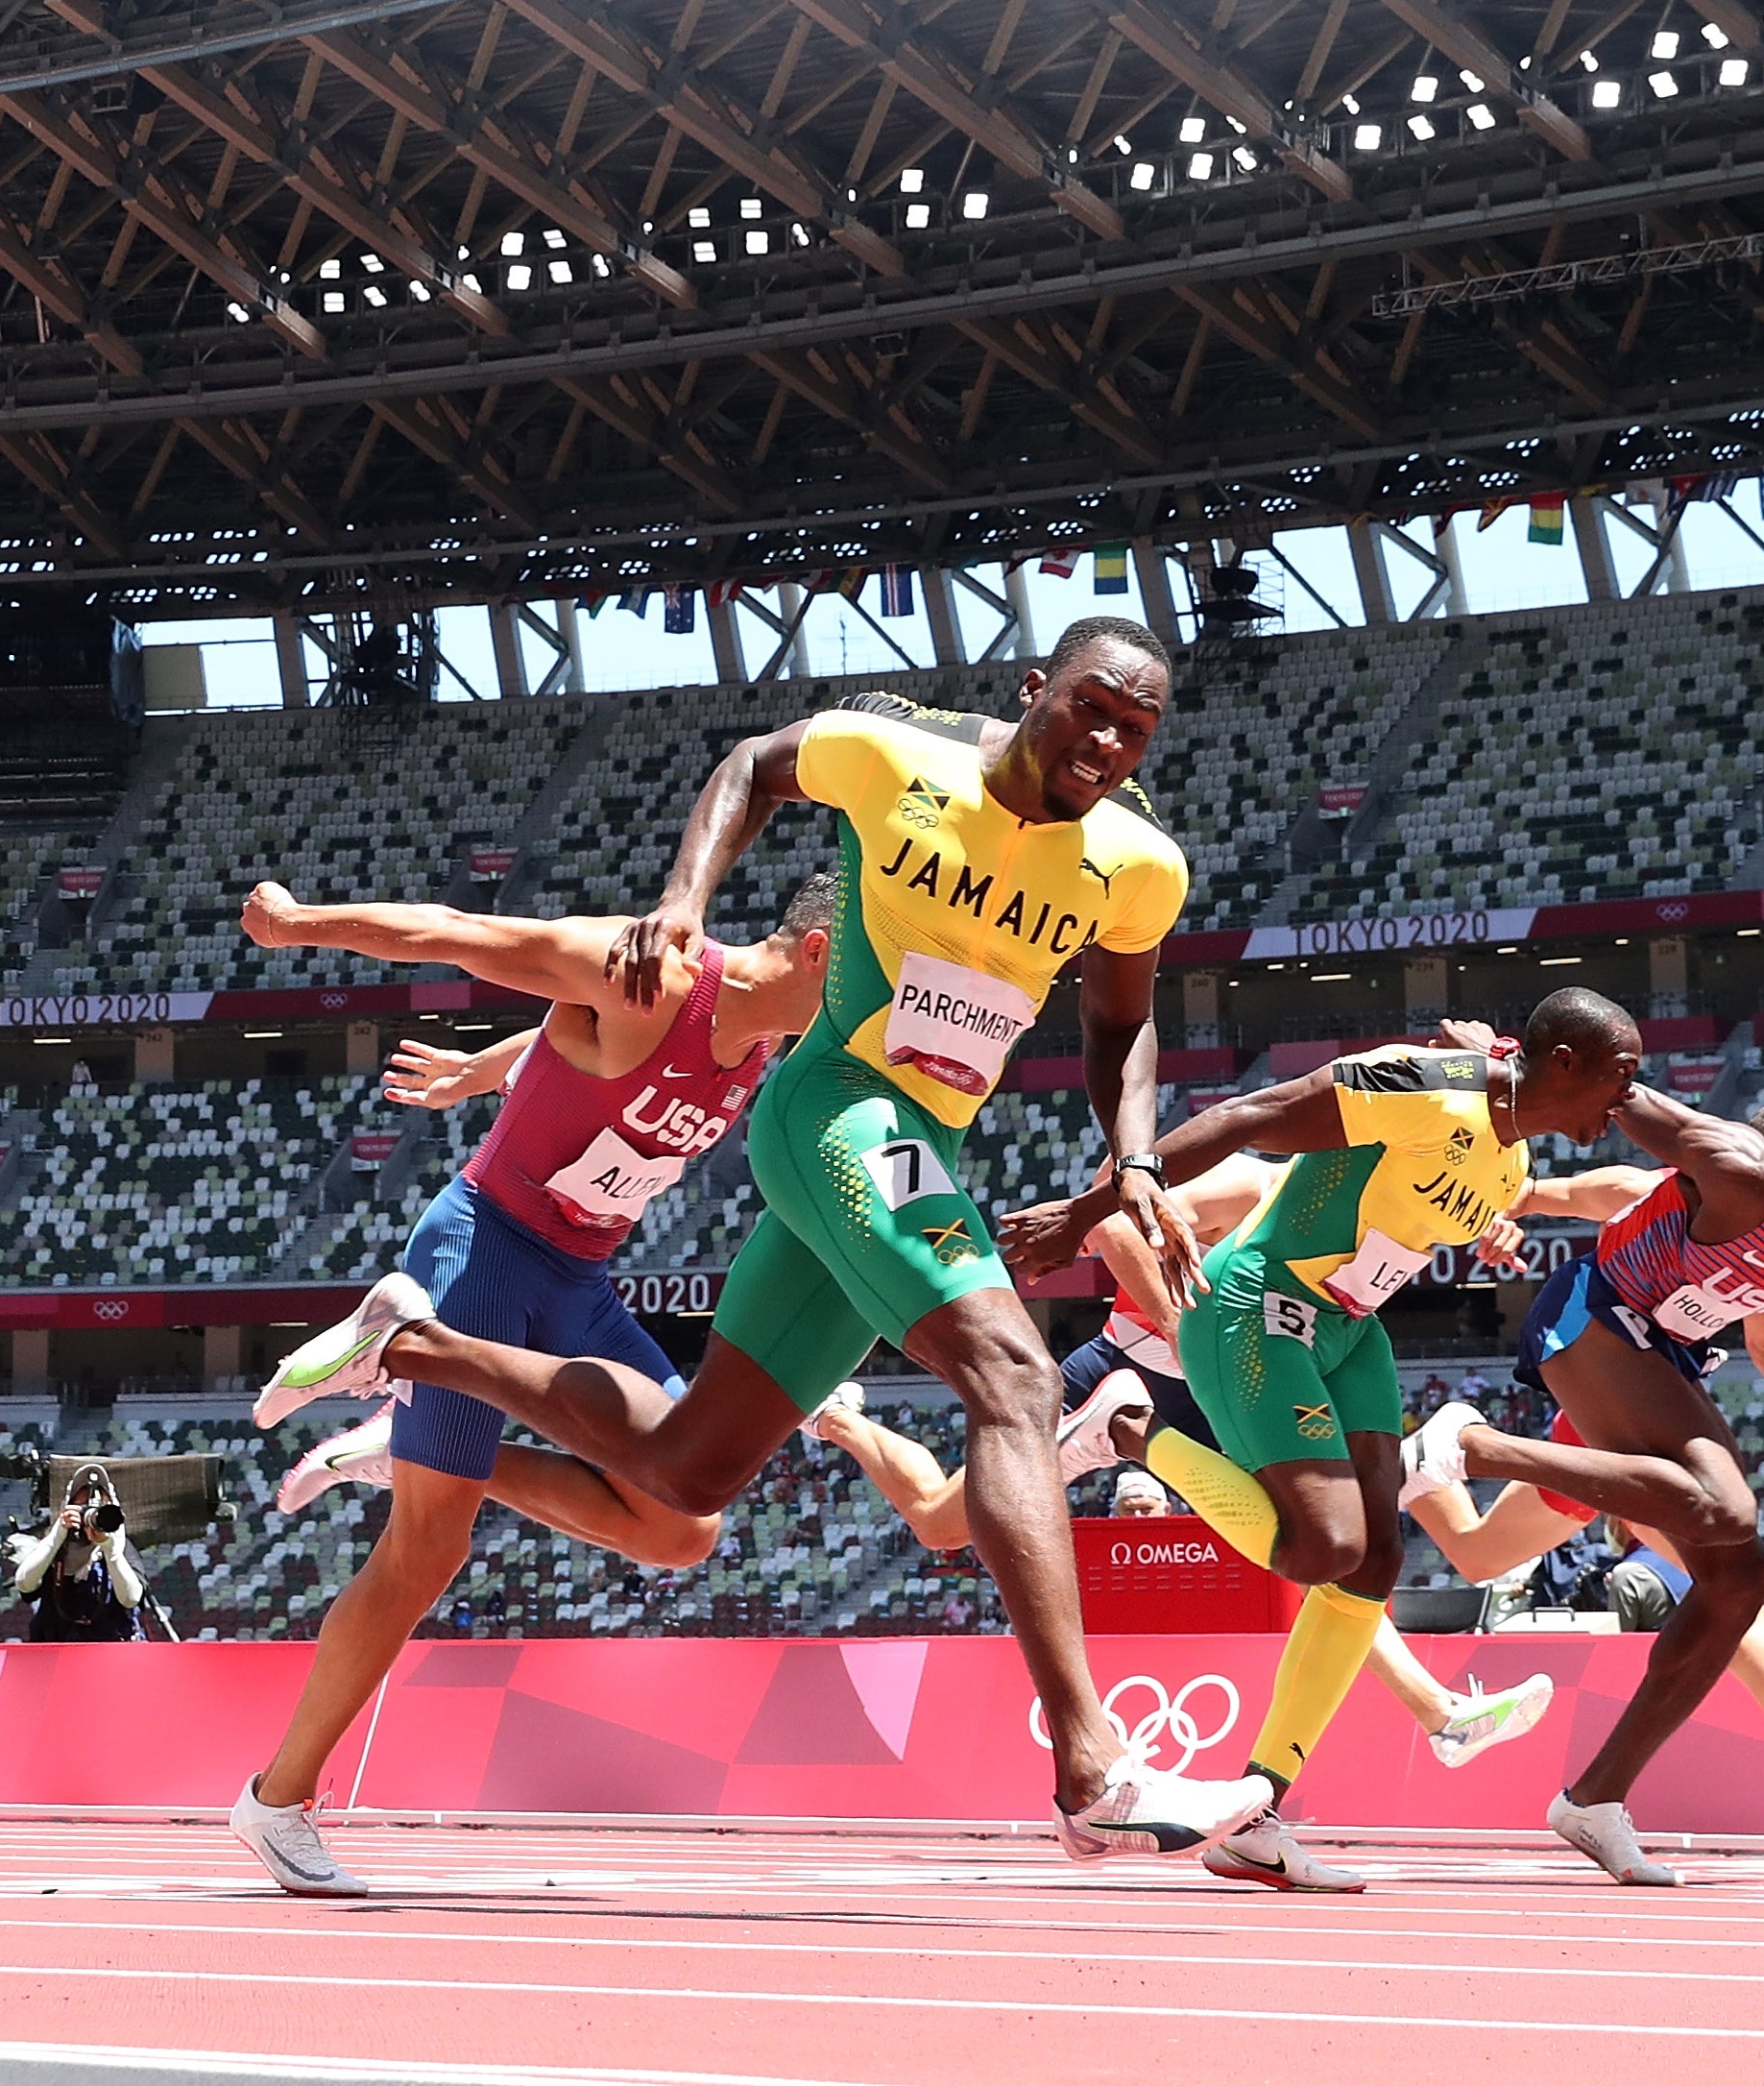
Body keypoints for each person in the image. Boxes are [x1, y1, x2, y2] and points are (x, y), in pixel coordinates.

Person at [258, 628, 1273, 1859]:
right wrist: (680, 905)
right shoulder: (895, 759)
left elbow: (1124, 1026)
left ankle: (412, 1349)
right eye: (1090, 711)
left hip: (921, 1138)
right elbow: (749, 764)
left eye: (1136, 728)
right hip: (839, 1108)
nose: (1108, 745)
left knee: (687, 1481)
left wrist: (1135, 1159)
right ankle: (1090, 1771)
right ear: (1034, 695)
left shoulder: (1136, 867)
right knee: (1012, 1375)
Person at [228, 871, 832, 1896]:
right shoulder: (650, 971)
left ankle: (392, 1431)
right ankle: (276, 1800)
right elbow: (460, 933)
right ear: (818, 952)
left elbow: (573, 1049)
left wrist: (487, 1071)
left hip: (578, 1283)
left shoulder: (769, 1041)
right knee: (427, 1551)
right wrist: (296, 926)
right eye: (876, 974)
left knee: (682, 1516)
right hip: (483, 1257)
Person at [995, 996, 1646, 1888]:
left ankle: (1254, 1814)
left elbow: (1483, 1152)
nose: (1630, 1099)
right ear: (1565, 1061)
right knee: (1324, 1548)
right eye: (1621, 1075)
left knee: (1375, 1567)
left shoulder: (1514, 1152)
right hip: (1262, 1309)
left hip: (1353, 1331)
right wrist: (1083, 1214)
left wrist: (1494, 1216)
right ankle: (1130, 1431)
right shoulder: (1423, 1086)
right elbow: (1248, 1116)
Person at [1395, 1086, 1764, 1884]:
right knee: (1725, 1514)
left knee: (1735, 1572)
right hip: (1592, 1329)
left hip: (1653, 1379)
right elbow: (1602, 1118)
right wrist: (1505, 1132)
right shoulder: (1740, 1177)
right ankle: (1475, 1446)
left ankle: (1596, 1797)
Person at [15, 1459, 147, 1641]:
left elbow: (131, 1598)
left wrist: (110, 1549)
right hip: (58, 1650)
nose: (90, 1514)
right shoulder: (54, 1548)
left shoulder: (120, 1546)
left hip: (109, 1653)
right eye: (83, 1506)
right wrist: (58, 1535)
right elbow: (24, 1583)